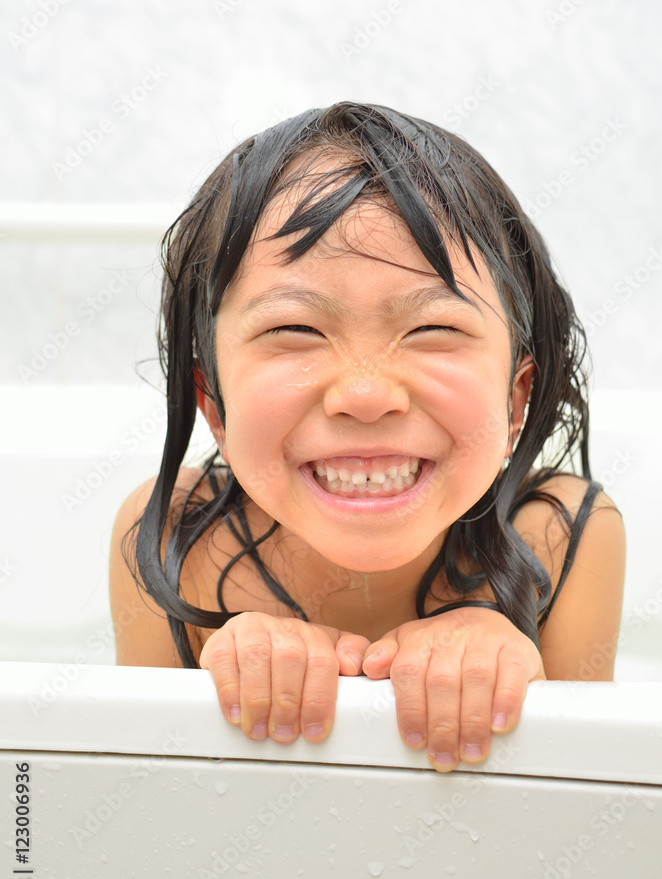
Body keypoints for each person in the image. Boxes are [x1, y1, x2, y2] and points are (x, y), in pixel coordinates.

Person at [109, 101, 625, 772]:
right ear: (215, 409)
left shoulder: (558, 536)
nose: (365, 395)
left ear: (515, 399)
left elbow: (592, 807)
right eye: (295, 331)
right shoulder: (179, 539)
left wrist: (520, 679)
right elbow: (135, 798)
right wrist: (226, 684)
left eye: (432, 330)